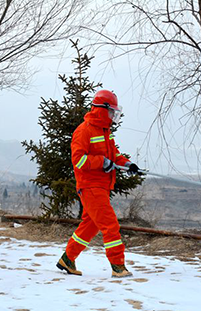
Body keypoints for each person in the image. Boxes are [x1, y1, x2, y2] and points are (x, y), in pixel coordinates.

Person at [56, 90, 142, 278]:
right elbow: (78, 160)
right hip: (90, 185)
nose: (113, 116)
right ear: (102, 110)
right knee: (110, 225)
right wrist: (101, 162)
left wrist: (127, 164)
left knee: (91, 225)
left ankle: (67, 259)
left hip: (101, 186)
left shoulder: (105, 131)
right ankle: (118, 266)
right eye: (111, 111)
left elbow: (113, 155)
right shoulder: (84, 130)